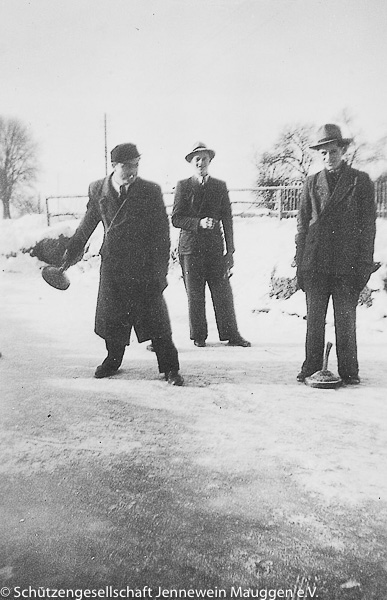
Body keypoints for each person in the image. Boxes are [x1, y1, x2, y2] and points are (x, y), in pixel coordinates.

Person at [63, 143, 184, 385]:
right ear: (114, 166)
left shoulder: (150, 190)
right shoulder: (98, 189)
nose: (132, 171)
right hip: (113, 265)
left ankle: (170, 368)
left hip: (144, 266)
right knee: (113, 318)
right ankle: (113, 360)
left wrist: (160, 271)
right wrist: (72, 250)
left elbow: (162, 233)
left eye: (136, 165)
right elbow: (88, 223)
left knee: (156, 319)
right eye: (127, 166)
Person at [295, 124, 376, 385]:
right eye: (323, 153)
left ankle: (349, 370)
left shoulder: (359, 181)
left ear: (342, 150)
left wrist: (364, 264)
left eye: (332, 151)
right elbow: (302, 226)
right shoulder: (311, 182)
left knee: (345, 319)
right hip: (316, 262)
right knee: (314, 320)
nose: (328, 157)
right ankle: (310, 368)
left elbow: (368, 227)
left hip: (346, 264)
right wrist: (300, 265)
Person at [171, 142, 250, 348]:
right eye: (196, 159)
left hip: (215, 248)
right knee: (195, 294)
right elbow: (176, 218)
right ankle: (199, 336)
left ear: (209, 161)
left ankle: (232, 335)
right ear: (191, 162)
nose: (200, 162)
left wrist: (230, 250)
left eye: (204, 158)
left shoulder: (219, 186)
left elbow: (228, 219)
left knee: (223, 292)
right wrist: (198, 223)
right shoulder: (183, 186)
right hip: (190, 249)